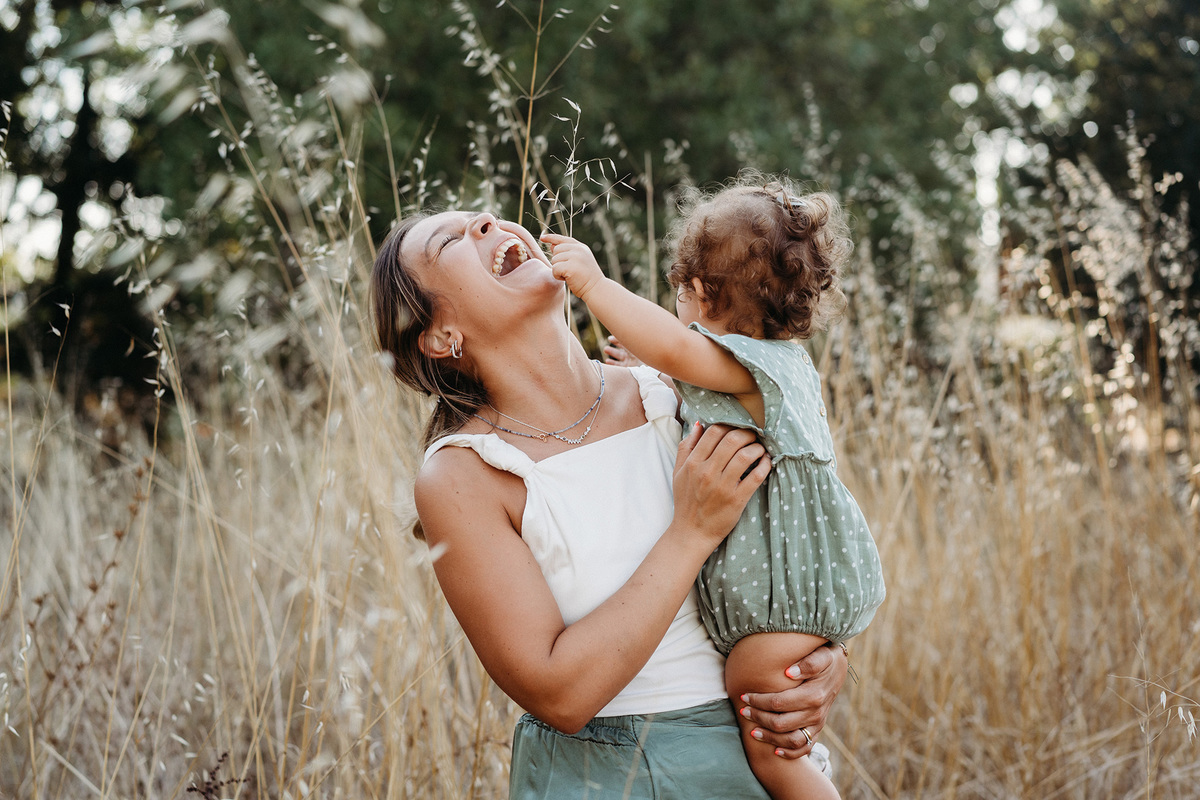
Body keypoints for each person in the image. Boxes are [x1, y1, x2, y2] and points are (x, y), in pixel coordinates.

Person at [371, 208, 851, 799]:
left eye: (484, 217)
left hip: (763, 762)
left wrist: (822, 658)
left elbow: (795, 528)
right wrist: (691, 532)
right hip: (611, 778)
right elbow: (559, 696)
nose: (489, 224)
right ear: (442, 336)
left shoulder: (674, 393)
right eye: (451, 241)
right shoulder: (463, 474)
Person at [543, 176, 886, 800]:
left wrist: (593, 284)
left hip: (785, 599)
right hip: (787, 592)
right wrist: (654, 374)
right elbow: (692, 379)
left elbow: (678, 348)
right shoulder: (755, 371)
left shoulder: (764, 364)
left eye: (679, 294)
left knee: (774, 751)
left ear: (699, 292)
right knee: (775, 742)